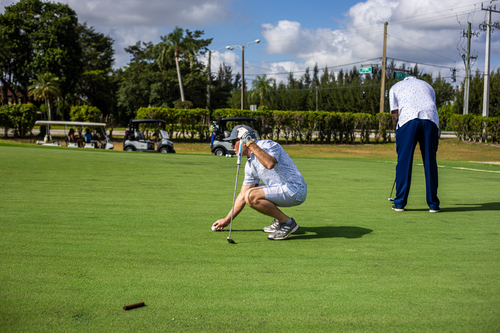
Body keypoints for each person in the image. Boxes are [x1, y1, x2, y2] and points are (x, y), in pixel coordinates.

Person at [212, 125, 307, 240]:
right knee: (247, 193)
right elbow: (242, 194)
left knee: (251, 195)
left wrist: (249, 142)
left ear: (244, 140)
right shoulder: (249, 165)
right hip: (281, 189)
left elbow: (269, 163)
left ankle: (287, 223)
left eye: (233, 141)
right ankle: (279, 219)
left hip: (295, 189)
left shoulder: (267, 145)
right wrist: (226, 220)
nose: (232, 146)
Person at [389, 76, 440, 213]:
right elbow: (432, 106)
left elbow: (395, 115)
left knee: (404, 162)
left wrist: (397, 134)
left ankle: (399, 203)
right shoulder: (428, 86)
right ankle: (433, 204)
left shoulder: (395, 87)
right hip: (430, 121)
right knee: (430, 161)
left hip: (408, 120)